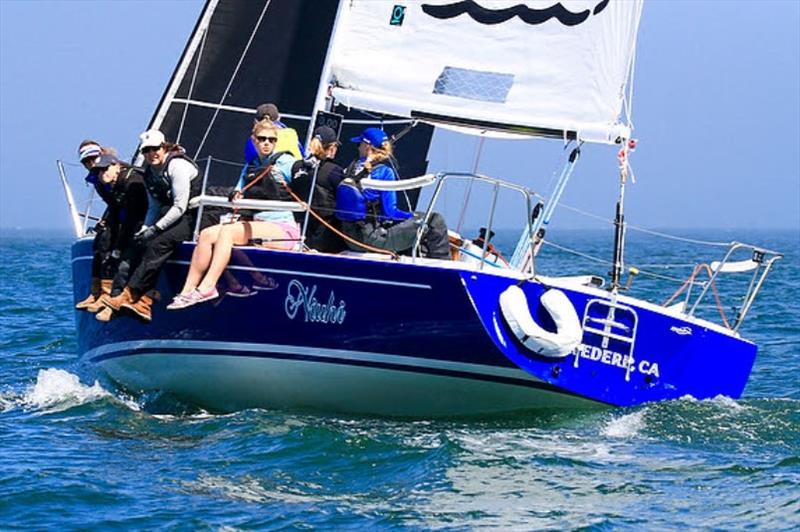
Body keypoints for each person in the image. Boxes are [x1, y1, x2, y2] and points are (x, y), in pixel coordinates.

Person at [166, 120, 298, 310]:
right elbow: (237, 192)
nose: (267, 143)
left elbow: (304, 177)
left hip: (283, 229)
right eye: (262, 139)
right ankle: (187, 292)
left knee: (227, 233)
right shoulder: (251, 166)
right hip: (256, 225)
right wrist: (236, 195)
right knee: (207, 234)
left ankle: (209, 286)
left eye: (271, 139)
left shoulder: (285, 162)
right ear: (254, 141)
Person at [103, 130, 201, 322]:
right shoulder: (149, 173)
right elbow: (154, 206)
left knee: (158, 243)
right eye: (147, 150)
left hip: (192, 215)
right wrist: (145, 229)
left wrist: (155, 229)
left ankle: (134, 295)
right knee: (138, 243)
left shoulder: (177, 166)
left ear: (164, 147)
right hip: (169, 214)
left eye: (155, 149)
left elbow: (180, 206)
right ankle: (119, 297)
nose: (151, 154)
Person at [336, 127, 450, 259]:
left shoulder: (349, 169)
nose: (358, 147)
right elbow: (390, 212)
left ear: (367, 146)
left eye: (359, 144)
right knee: (434, 220)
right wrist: (410, 216)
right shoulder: (385, 172)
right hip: (370, 240)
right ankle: (443, 266)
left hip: (348, 237)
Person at [75, 141, 140, 312]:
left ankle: (108, 295)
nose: (90, 164)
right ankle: (97, 292)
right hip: (118, 213)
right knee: (100, 244)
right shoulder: (97, 180)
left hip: (133, 217)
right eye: (86, 161)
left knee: (116, 248)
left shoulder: (121, 173)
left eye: (93, 158)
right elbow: (112, 204)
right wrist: (105, 220)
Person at [87, 153, 149, 322]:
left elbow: (132, 218)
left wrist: (118, 247)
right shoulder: (112, 184)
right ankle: (101, 295)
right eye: (99, 171)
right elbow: (115, 209)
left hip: (146, 225)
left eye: (106, 169)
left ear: (116, 166)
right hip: (132, 225)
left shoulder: (133, 181)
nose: (102, 174)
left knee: (124, 261)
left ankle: (116, 304)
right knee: (105, 250)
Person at [289, 126, 347, 252]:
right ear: (332, 148)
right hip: (326, 238)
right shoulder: (334, 171)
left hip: (297, 233)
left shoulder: (296, 166)